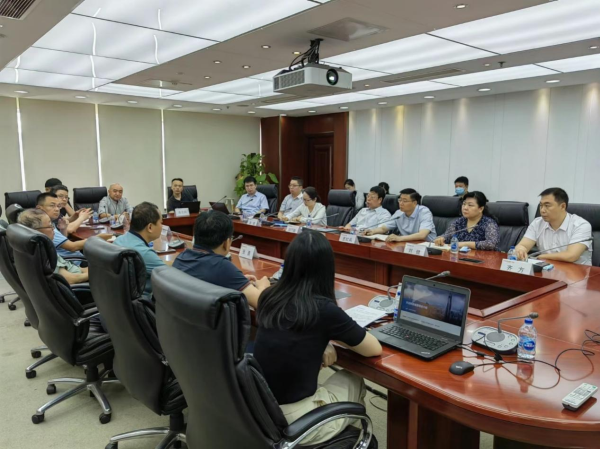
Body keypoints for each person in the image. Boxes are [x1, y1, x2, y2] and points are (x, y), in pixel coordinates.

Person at [254, 231, 382, 445]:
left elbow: (296, 332)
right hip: (294, 421)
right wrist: (327, 337)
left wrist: (324, 341)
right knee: (353, 378)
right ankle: (347, 441)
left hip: (260, 409)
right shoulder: (323, 309)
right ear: (327, 268)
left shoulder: (269, 297)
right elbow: (373, 349)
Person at [173, 210, 270, 309]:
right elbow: (262, 304)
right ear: (226, 242)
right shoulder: (222, 267)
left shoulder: (181, 258)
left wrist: (237, 280)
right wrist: (263, 286)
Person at [515, 188, 592, 265]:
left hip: (576, 270)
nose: (542, 210)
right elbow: (523, 245)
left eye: (547, 206)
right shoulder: (537, 223)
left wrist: (541, 256)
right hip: (547, 269)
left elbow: (571, 255)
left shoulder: (581, 225)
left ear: (563, 206)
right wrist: (521, 250)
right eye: (541, 205)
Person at [18, 209, 89, 285]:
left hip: (78, 274)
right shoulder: (45, 254)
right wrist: (95, 273)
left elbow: (76, 269)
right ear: (36, 231)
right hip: (81, 285)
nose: (53, 229)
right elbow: (72, 279)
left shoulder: (38, 246)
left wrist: (94, 269)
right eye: (50, 225)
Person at [36, 192, 112, 262]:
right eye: (52, 205)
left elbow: (61, 243)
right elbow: (73, 247)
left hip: (75, 257)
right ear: (39, 208)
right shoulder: (45, 228)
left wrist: (63, 229)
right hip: (73, 262)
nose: (56, 209)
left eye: (58, 206)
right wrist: (97, 238)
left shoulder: (48, 222)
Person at [114, 202, 166, 297]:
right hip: (146, 301)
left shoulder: (118, 240)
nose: (162, 226)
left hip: (121, 299)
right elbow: (171, 278)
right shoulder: (144, 253)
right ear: (150, 227)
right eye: (161, 223)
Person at [434, 191, 499, 251]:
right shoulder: (459, 222)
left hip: (482, 258)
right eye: (464, 204)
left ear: (480, 209)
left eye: (470, 205)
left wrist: (464, 244)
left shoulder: (489, 223)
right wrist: (441, 238)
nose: (465, 208)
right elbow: (447, 236)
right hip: (460, 256)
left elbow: (491, 244)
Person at [366, 188, 437, 242]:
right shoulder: (399, 213)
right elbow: (384, 228)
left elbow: (422, 235)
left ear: (414, 203)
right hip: (406, 244)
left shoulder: (424, 212)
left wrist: (399, 238)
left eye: (404, 201)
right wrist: (373, 231)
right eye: (400, 200)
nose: (401, 203)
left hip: (427, 247)